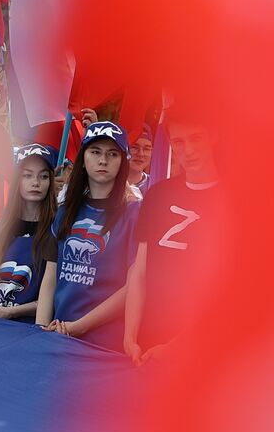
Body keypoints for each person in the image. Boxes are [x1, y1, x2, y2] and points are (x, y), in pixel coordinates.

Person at [123, 106, 222, 365]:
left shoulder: (236, 202)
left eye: (196, 139)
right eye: (178, 142)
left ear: (214, 136)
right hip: (145, 350)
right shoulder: (157, 195)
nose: (187, 150)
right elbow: (140, 271)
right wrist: (129, 337)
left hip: (203, 355)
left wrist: (180, 345)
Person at [36, 121, 139, 351]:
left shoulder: (135, 214)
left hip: (104, 345)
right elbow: (50, 279)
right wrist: (39, 330)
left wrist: (79, 326)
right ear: (83, 159)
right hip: (58, 336)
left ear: (123, 161)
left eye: (112, 154)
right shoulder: (64, 212)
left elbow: (133, 288)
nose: (103, 160)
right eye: (95, 152)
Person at [0, 143, 58, 320]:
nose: (35, 183)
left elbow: (52, 294)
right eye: (27, 175)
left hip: (28, 331)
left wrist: (12, 311)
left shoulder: (56, 231)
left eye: (43, 176)